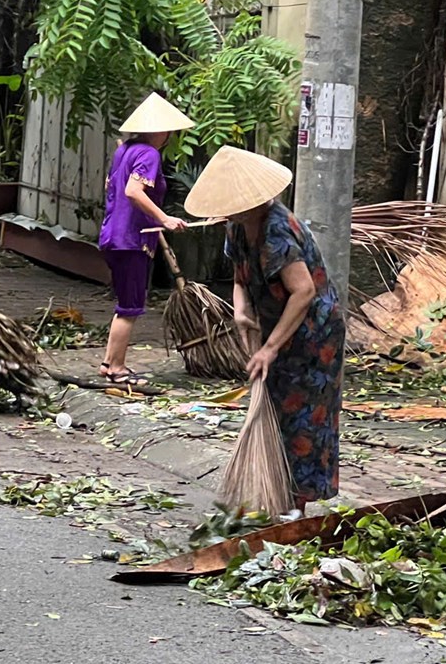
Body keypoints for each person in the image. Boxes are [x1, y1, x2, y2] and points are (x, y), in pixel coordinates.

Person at [184, 145, 346, 515]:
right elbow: (241, 278)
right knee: (274, 405)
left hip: (313, 335)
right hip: (276, 326)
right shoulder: (238, 228)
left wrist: (269, 348)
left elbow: (303, 291)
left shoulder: (277, 230)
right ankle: (275, 496)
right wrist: (241, 311)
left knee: (304, 414)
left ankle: (296, 504)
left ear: (252, 199)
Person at [97, 92, 194, 385]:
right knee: (130, 307)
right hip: (130, 239)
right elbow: (132, 191)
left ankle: (109, 363)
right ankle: (117, 369)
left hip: (113, 235)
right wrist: (164, 218)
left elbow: (110, 185)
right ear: (162, 130)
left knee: (126, 303)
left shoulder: (124, 150)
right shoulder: (149, 155)